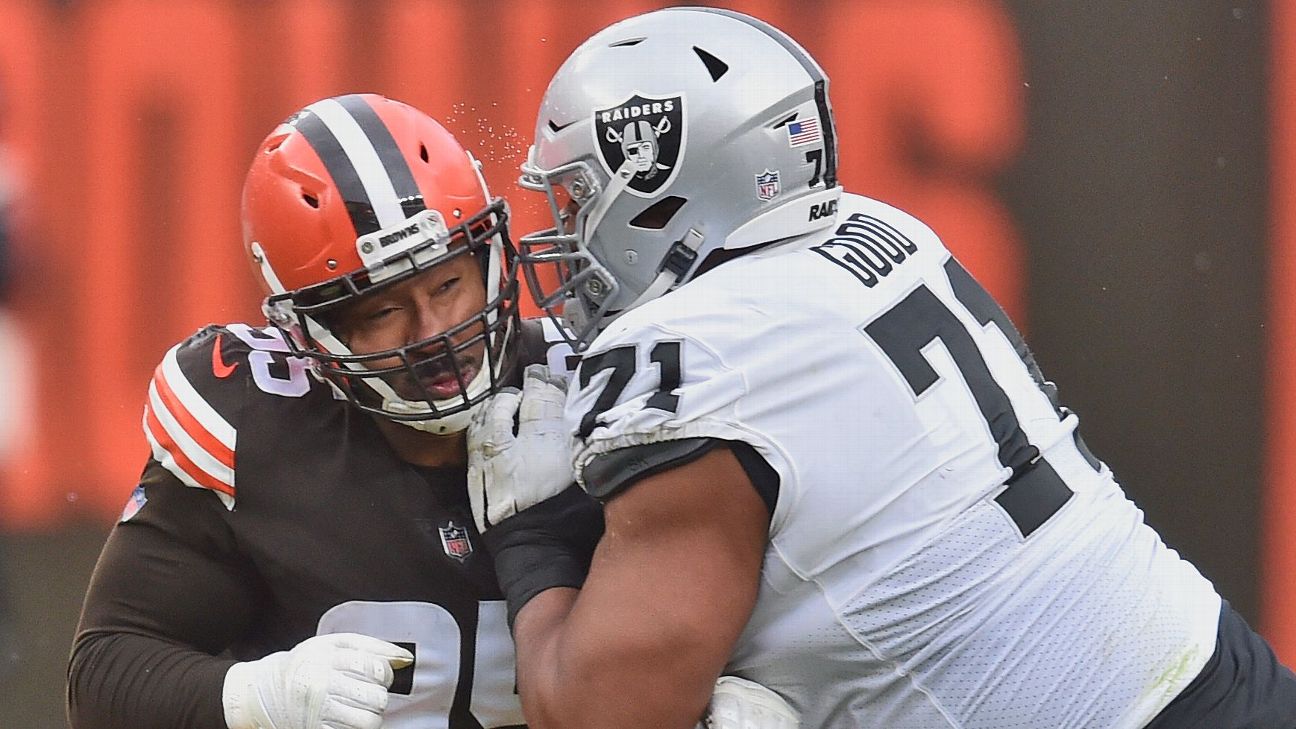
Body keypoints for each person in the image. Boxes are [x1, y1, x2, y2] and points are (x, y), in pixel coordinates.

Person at [466, 7, 1296, 729]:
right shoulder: (873, 229)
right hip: (1219, 668)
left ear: (664, 193)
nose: (567, 233)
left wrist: (531, 535)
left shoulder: (689, 354)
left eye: (579, 200)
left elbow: (601, 714)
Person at [66, 92, 570, 729]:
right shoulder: (259, 424)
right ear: (311, 334)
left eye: (448, 284)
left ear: (491, 262)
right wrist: (255, 696)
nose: (433, 332)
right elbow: (105, 677)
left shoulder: (587, 389)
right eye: (383, 311)